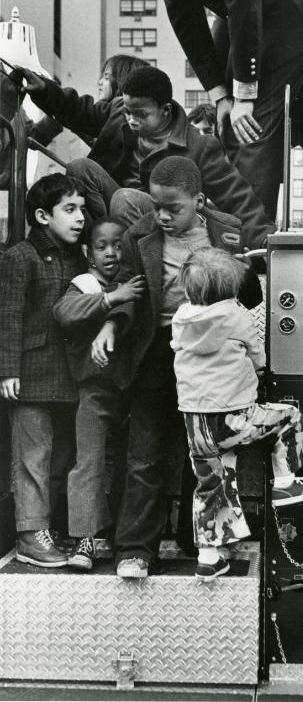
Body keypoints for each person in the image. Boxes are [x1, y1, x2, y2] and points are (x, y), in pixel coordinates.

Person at [90, 156, 262, 579]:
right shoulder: (139, 235)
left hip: (212, 358)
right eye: (156, 205)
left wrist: (242, 267)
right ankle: (134, 551)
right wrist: (111, 324)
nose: (162, 216)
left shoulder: (225, 230)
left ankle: (197, 539)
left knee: (202, 452)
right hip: (158, 353)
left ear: (198, 200)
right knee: (143, 454)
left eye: (174, 208)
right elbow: (127, 292)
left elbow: (251, 298)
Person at [171, 247, 303, 582]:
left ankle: (209, 558)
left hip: (196, 424)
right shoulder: (237, 315)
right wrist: (260, 369)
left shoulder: (181, 317)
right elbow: (258, 357)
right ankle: (287, 484)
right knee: (287, 418)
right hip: (232, 417)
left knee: (212, 483)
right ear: (231, 289)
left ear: (189, 290)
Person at [147, 0, 303, 220]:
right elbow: (184, 16)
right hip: (235, 8)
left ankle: (254, 245)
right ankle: (233, 225)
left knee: (251, 128)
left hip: (286, 2)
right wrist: (221, 96)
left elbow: (246, 4)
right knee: (228, 125)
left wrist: (246, 96)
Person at [11, 65, 276, 249]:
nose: (131, 120)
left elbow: (237, 196)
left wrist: (265, 239)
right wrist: (44, 90)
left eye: (141, 114)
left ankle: (130, 270)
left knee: (126, 198)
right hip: (115, 217)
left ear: (165, 110)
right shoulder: (118, 114)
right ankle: (99, 249)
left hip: (162, 228)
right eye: (127, 111)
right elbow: (79, 110)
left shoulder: (199, 146)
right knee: (80, 168)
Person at [0, 173, 88, 567]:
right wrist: (6, 371)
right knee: (32, 456)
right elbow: (8, 317)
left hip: (68, 377)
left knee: (60, 457)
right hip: (31, 375)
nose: (80, 217)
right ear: (41, 215)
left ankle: (46, 531)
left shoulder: (77, 257)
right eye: (69, 209)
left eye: (82, 208)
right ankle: (29, 535)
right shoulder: (20, 257)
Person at [53, 218, 146, 570]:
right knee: (87, 463)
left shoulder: (135, 281)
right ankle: (85, 540)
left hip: (134, 389)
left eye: (118, 244)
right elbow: (63, 312)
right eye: (102, 246)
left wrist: (121, 298)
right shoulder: (85, 284)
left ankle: (127, 537)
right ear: (88, 253)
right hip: (95, 389)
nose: (111, 252)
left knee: (134, 464)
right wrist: (109, 299)